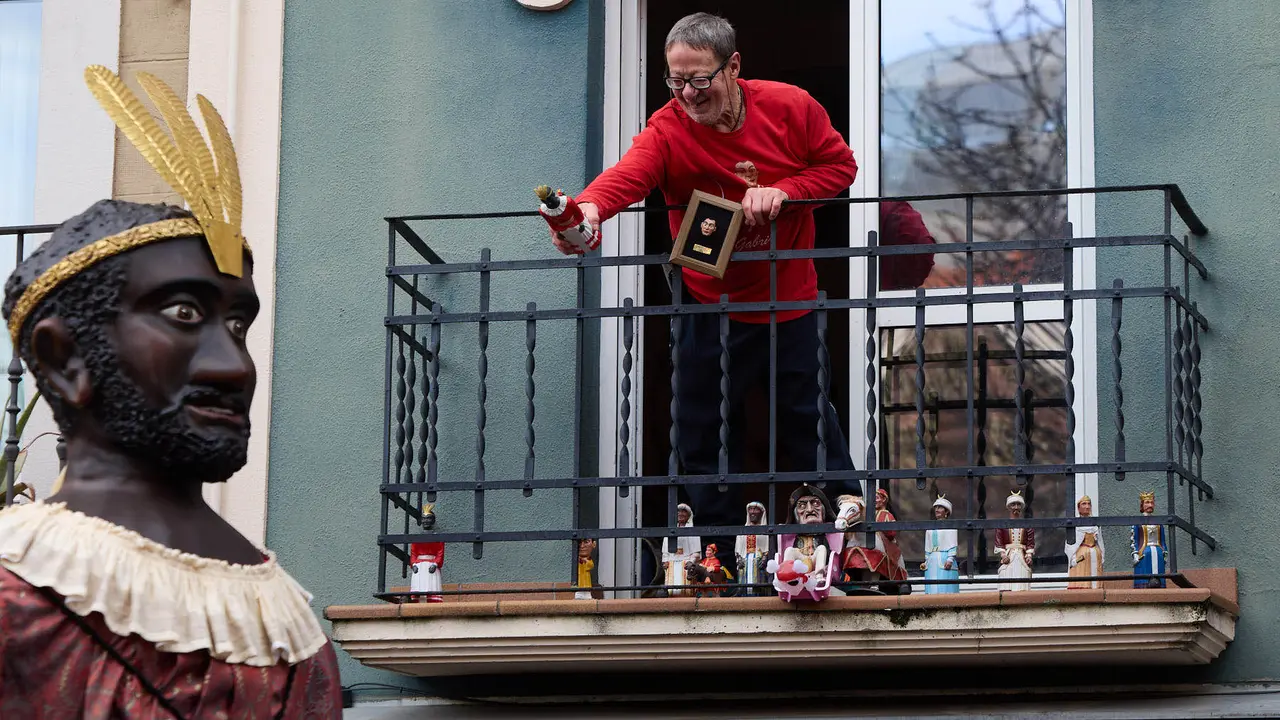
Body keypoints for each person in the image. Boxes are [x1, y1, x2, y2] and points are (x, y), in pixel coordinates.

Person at [0, 66, 341, 717]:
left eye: (238, 323)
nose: (232, 365)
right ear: (63, 355)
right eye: (184, 314)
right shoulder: (17, 589)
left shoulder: (286, 625)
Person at [552, 12, 862, 571]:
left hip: (790, 299)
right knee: (702, 430)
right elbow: (630, 174)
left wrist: (785, 192)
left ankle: (846, 547)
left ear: (734, 67)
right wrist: (589, 211)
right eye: (676, 81)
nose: (688, 94)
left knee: (809, 419)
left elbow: (841, 167)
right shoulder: (668, 127)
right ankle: (715, 556)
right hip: (708, 301)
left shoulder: (792, 106)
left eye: (700, 80)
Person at [995, 490, 1035, 591]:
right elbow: (999, 542)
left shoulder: (1027, 525)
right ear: (1009, 507)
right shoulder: (1002, 525)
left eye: (1018, 505)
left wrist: (1029, 556)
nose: (1016, 507)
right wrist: (1003, 555)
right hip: (1009, 556)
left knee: (1022, 582)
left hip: (1021, 556)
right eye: (1013, 505)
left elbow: (1030, 543)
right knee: (1006, 581)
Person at [921, 495, 959, 595]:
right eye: (936, 508)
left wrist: (950, 559)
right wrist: (926, 560)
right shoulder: (930, 527)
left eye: (940, 507)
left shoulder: (951, 526)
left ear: (946, 512)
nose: (937, 510)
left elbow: (953, 543)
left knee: (945, 587)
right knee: (932, 587)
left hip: (945, 559)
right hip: (932, 561)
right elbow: (928, 546)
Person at [1066, 495, 1105, 590]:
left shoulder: (1095, 524)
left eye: (1089, 504)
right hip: (1081, 554)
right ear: (1078, 508)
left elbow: (1100, 541)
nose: (1087, 507)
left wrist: (1102, 554)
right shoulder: (1074, 524)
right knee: (1082, 577)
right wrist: (1073, 558)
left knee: (1095, 578)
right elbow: (1070, 544)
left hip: (1095, 553)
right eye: (1084, 504)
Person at [662, 503, 701, 596]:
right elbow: (665, 550)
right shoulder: (670, 530)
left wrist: (691, 561)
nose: (681, 514)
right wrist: (665, 561)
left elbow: (696, 552)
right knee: (671, 589)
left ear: (689, 515)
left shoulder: (692, 531)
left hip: (686, 563)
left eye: (684, 512)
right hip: (672, 562)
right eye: (679, 512)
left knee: (686, 590)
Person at [1131, 491, 1166, 589]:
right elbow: (1134, 540)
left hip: (1158, 552)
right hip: (1144, 553)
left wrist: (1164, 552)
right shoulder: (1137, 522)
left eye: (1151, 502)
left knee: (1159, 575)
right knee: (1144, 576)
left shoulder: (1159, 522)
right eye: (1147, 502)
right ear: (1142, 505)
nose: (1150, 505)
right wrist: (1135, 554)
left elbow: (1163, 540)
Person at [735, 501, 769, 594]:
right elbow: (738, 550)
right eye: (750, 509)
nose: (752, 512)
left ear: (761, 513)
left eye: (755, 509)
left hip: (758, 561)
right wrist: (739, 559)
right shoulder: (742, 530)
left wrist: (764, 558)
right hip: (744, 560)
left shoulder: (765, 530)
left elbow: (767, 548)